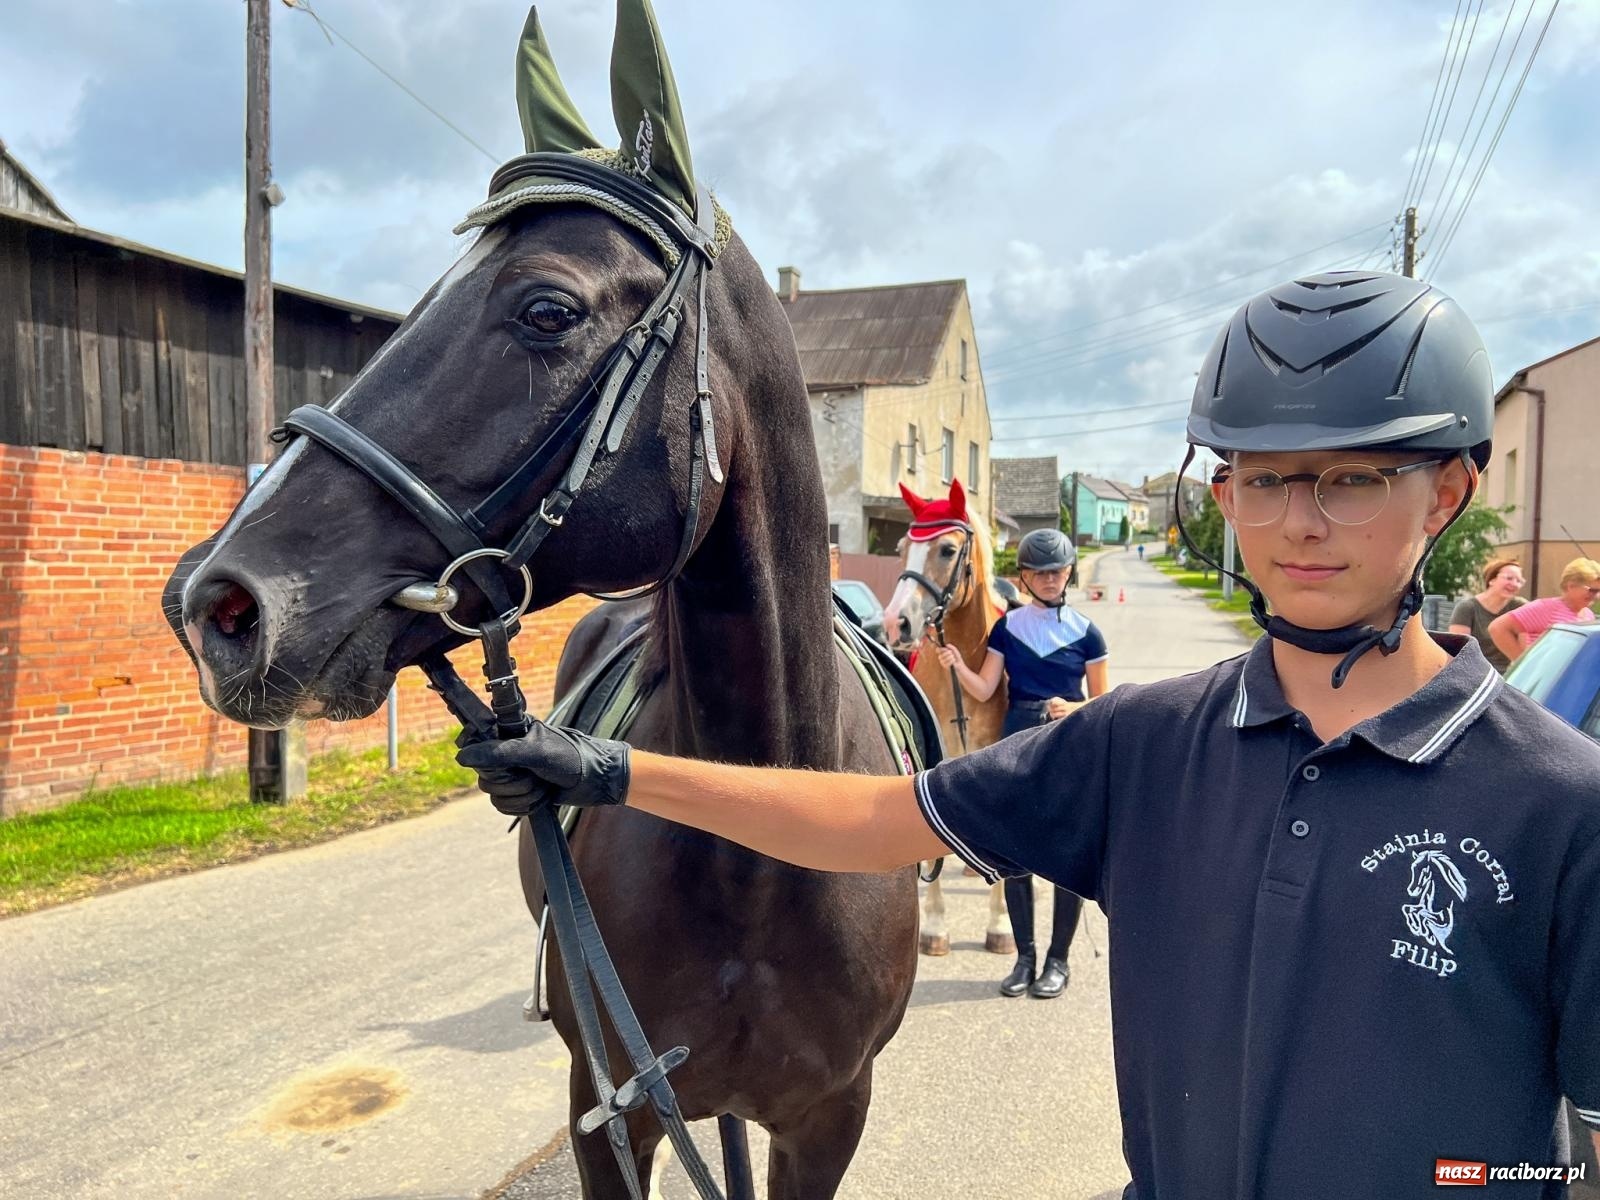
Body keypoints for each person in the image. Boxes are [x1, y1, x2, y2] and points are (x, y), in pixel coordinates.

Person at [459, 272, 1600, 1199]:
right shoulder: (1145, 743)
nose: (1299, 521)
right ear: (1222, 498)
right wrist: (609, 768)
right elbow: (875, 819)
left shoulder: (1561, 803)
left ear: (1445, 492)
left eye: (1351, 479)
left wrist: (1485, 1177)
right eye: (1264, 479)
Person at [933, 526, 1108, 998]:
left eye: (1056, 571)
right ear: (1025, 577)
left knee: (1069, 851)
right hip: (1018, 737)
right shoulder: (1007, 629)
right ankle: (1025, 958)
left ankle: (1058, 961)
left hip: (1069, 741)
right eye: (1038, 572)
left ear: (1068, 572)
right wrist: (957, 664)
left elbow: (1103, 701)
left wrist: (1074, 708)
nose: (1049, 579)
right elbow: (987, 689)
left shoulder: (1087, 633)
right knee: (1015, 852)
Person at [1488, 556, 1600, 666]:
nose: (1597, 596)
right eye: (1592, 591)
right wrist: (1523, 663)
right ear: (1571, 586)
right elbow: (1497, 628)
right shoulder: (1545, 608)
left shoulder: (1588, 615)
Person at [1447, 557, 1525, 671]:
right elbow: (1458, 650)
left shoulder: (1520, 607)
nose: (1515, 584)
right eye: (1509, 578)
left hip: (1510, 674)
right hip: (1475, 672)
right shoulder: (1467, 607)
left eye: (1519, 581)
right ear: (1491, 580)